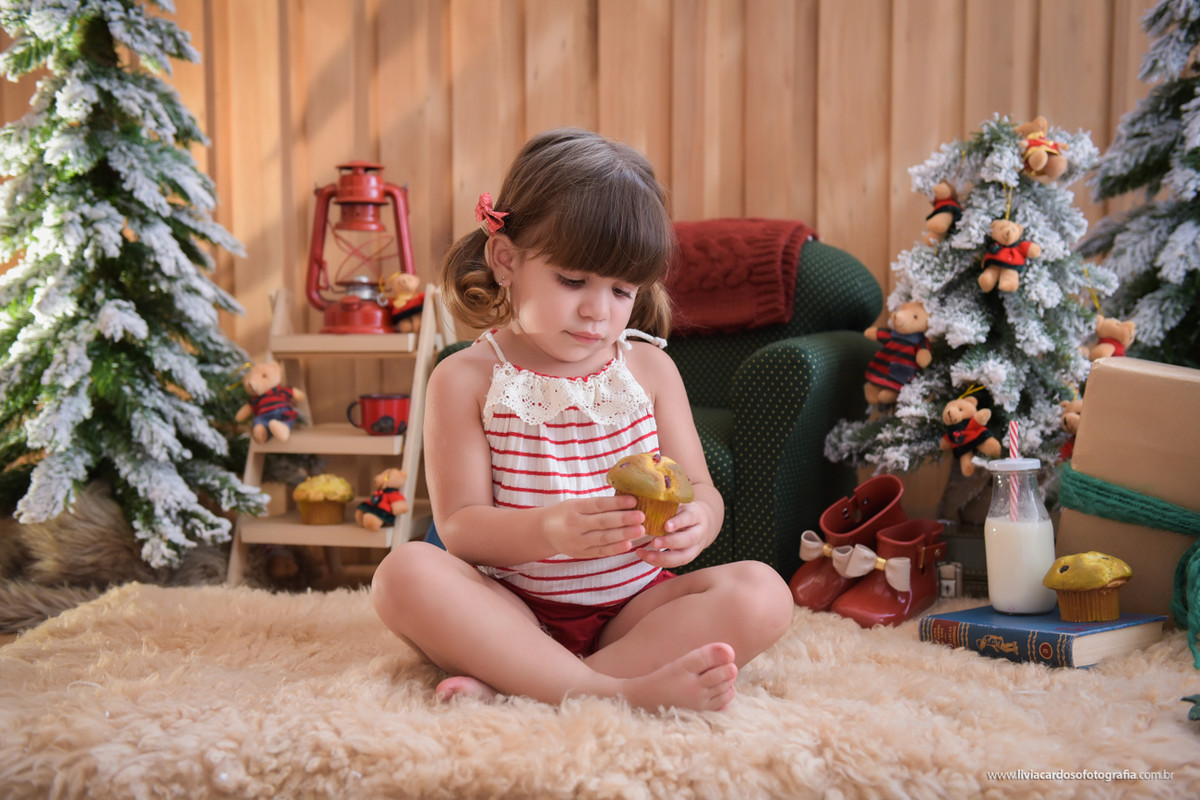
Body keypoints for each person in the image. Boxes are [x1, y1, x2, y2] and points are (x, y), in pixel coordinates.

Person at [371, 128, 794, 712]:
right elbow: (461, 528)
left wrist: (696, 523)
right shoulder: (465, 379)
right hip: (511, 606)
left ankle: (527, 683)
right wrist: (547, 531)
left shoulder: (648, 369)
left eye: (622, 291)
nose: (598, 311)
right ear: (505, 260)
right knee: (404, 574)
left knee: (764, 593)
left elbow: (702, 489)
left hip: (634, 611)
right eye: (572, 281)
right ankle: (610, 691)